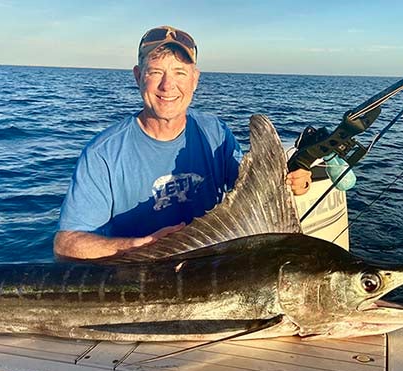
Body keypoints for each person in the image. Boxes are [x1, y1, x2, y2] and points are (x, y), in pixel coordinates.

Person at [54, 26, 312, 260]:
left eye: (180, 72)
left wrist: (293, 182)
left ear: (195, 79)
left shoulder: (217, 133)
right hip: (139, 279)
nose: (168, 86)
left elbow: (255, 193)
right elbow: (66, 245)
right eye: (156, 72)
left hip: (216, 272)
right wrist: (140, 246)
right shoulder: (103, 153)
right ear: (137, 76)